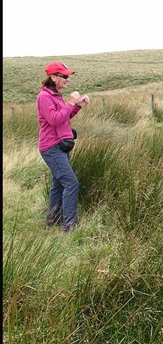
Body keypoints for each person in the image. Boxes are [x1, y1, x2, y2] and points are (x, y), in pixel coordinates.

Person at [37, 61, 90, 232]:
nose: (67, 79)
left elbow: (64, 117)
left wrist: (77, 106)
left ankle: (52, 222)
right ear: (53, 77)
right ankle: (70, 226)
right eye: (64, 76)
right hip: (52, 147)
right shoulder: (44, 97)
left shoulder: (56, 95)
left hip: (60, 146)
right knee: (71, 183)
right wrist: (71, 102)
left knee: (58, 184)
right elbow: (54, 119)